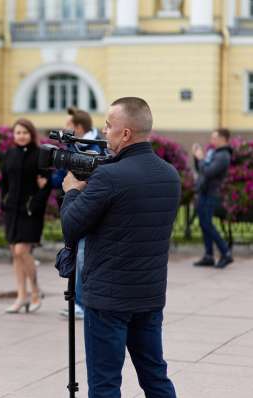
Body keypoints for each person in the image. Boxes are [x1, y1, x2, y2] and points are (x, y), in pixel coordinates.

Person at [60, 97, 179, 398]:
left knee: (104, 384)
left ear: (125, 134)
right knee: (155, 376)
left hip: (108, 301)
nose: (103, 131)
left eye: (109, 126)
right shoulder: (169, 175)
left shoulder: (109, 176)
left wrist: (72, 192)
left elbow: (72, 225)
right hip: (149, 296)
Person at [52, 107, 101, 321]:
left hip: (90, 210)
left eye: (68, 126)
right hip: (75, 206)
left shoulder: (98, 148)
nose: (65, 129)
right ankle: (80, 302)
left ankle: (82, 303)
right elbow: (62, 177)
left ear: (78, 127)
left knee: (83, 257)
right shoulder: (74, 147)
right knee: (79, 256)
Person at [1, 118, 52, 314]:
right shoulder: (10, 154)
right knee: (15, 252)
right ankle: (22, 296)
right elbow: (4, 182)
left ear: (31, 134)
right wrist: (3, 202)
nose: (21, 136)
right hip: (12, 209)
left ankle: (36, 291)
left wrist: (35, 203)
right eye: (17, 133)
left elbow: (46, 183)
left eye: (24, 132)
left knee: (23, 250)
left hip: (31, 211)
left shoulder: (39, 155)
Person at [191, 128, 234, 268]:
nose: (212, 140)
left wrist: (201, 158)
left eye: (215, 137)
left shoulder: (223, 156)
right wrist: (197, 158)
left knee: (207, 224)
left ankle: (226, 253)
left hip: (211, 194)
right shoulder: (215, 153)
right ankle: (209, 256)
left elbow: (208, 172)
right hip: (204, 192)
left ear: (223, 139)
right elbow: (201, 170)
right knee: (204, 224)